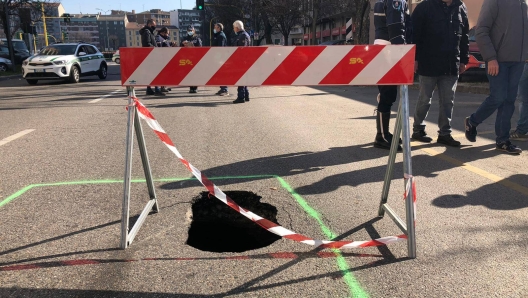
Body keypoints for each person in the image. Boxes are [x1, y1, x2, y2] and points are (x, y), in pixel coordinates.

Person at [464, 0, 528, 154]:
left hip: (518, 61)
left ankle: (502, 140)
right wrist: (491, 58)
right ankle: (472, 121)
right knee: (498, 97)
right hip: (498, 60)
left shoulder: (523, 4)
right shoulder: (494, 1)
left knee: (509, 100)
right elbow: (481, 31)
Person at [411, 0, 469, 147]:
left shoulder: (461, 8)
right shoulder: (425, 7)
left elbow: (464, 37)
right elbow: (414, 34)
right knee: (425, 99)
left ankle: (445, 133)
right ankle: (418, 130)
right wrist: (414, 58)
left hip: (451, 64)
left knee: (447, 101)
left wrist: (463, 60)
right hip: (428, 62)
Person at [372, 0, 412, 150]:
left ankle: (384, 134)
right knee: (387, 94)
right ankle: (381, 136)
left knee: (387, 93)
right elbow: (396, 27)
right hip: (389, 50)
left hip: (384, 49)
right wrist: (401, 52)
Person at [139, 19, 165, 96]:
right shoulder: (147, 32)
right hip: (150, 55)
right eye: (154, 25)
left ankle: (149, 89)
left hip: (150, 55)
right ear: (150, 24)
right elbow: (147, 44)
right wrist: (154, 47)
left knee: (150, 73)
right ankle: (157, 89)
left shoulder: (149, 32)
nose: (155, 26)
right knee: (155, 73)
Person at [231, 20, 250, 104]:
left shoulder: (242, 36)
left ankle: (241, 96)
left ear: (237, 27)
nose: (233, 29)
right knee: (244, 78)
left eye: (234, 27)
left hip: (242, 61)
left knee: (241, 79)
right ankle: (246, 96)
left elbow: (242, 49)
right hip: (243, 60)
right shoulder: (242, 35)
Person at [180, 25, 202, 94]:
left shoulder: (197, 38)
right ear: (187, 31)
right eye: (189, 30)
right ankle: (191, 87)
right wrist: (183, 44)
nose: (190, 32)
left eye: (191, 30)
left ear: (194, 31)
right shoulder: (184, 38)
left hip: (195, 58)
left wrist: (193, 45)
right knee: (188, 73)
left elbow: (200, 46)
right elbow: (180, 47)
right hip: (187, 58)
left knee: (195, 73)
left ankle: (195, 87)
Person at [510, 62, 528, 141]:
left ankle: (522, 130)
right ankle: (522, 130)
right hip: (524, 63)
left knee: (523, 100)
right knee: (523, 99)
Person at [156, 27, 175, 93]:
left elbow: (166, 45)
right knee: (159, 73)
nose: (168, 35)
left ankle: (163, 86)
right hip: (160, 58)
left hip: (164, 58)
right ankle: (158, 88)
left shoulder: (163, 38)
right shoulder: (158, 37)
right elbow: (159, 46)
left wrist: (171, 44)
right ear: (163, 32)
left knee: (164, 73)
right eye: (167, 33)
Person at [212, 23, 229, 96]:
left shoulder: (221, 36)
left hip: (220, 57)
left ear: (219, 28)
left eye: (215, 27)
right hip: (218, 57)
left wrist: (219, 59)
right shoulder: (218, 35)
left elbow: (220, 48)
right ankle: (222, 88)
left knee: (222, 73)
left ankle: (224, 89)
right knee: (219, 74)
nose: (214, 29)